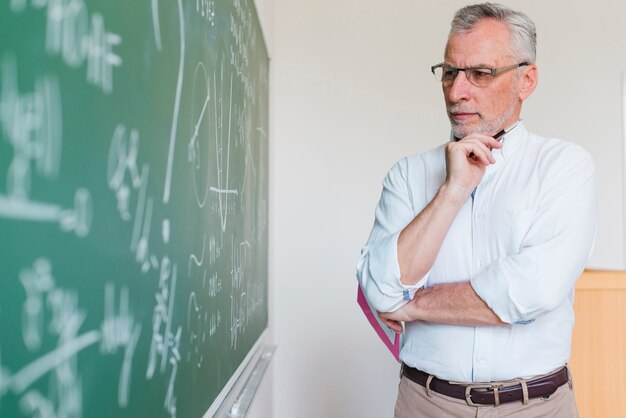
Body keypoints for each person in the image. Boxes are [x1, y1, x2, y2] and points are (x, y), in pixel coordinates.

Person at [356, 3, 596, 417]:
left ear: (527, 80)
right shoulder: (408, 175)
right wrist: (452, 191)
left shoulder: (564, 166)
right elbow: (378, 290)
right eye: (449, 72)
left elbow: (532, 290)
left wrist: (411, 303)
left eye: (480, 74)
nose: (455, 91)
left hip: (535, 407)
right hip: (424, 403)